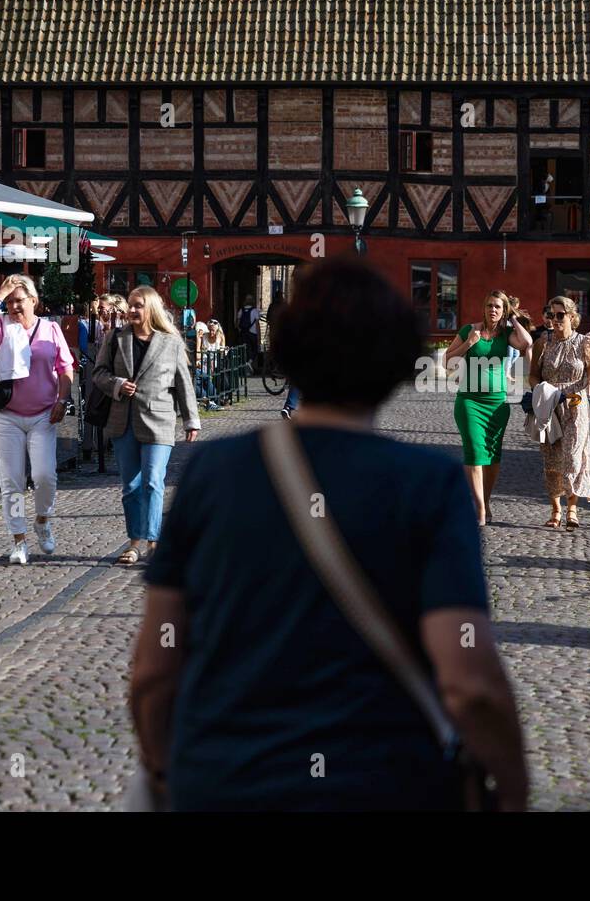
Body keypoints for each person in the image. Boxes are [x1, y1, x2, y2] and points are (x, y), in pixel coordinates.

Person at [131, 258, 528, 811]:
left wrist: (165, 770)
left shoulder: (214, 473)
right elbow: (471, 683)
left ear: (289, 355)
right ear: (394, 365)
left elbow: (155, 668)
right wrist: (511, 794)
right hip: (384, 784)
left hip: (230, 781)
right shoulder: (428, 486)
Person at [92, 285, 202, 567]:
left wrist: (191, 419)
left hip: (159, 421)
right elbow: (98, 374)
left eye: (138, 305)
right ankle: (135, 542)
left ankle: (154, 543)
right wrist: (116, 384)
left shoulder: (171, 342)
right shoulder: (115, 337)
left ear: (151, 308)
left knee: (153, 482)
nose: (132, 310)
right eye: (130, 305)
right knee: (131, 486)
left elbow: (183, 383)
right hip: (123, 421)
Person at [0, 275, 75, 565]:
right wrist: (0, 292)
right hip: (7, 416)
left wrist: (63, 399)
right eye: (11, 301)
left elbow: (65, 368)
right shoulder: (1, 326)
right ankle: (18, 540)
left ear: (33, 301)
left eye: (20, 300)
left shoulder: (51, 329)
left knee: (44, 475)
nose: (14, 306)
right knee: (11, 480)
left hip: (43, 414)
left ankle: (42, 519)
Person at [445, 290, 532, 525]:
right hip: (469, 401)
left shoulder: (506, 334)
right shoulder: (469, 331)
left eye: (498, 307)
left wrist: (513, 318)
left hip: (497, 404)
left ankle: (486, 500)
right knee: (474, 451)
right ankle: (480, 508)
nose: (493, 310)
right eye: (490, 305)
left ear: (503, 311)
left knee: (493, 456)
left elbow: (527, 343)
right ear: (484, 307)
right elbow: (447, 361)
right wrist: (468, 345)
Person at [529, 295, 590, 529]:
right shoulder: (543, 342)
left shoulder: (585, 342)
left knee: (572, 457)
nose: (555, 319)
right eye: (551, 314)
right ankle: (555, 509)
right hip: (549, 406)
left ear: (572, 316)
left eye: (560, 315)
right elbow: (532, 375)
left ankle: (572, 508)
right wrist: (540, 390)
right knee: (552, 459)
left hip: (575, 405)